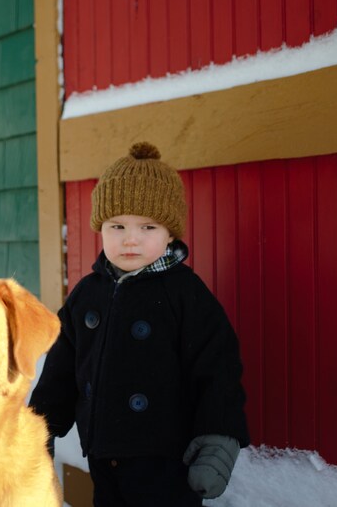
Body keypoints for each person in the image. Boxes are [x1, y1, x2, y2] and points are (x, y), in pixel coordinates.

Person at [29, 142, 250, 506]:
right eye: (117, 226)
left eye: (147, 226)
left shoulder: (185, 293)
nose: (130, 238)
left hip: (166, 459)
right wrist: (36, 428)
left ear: (170, 234)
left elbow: (217, 368)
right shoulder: (87, 295)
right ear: (101, 228)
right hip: (103, 454)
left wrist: (218, 436)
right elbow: (61, 372)